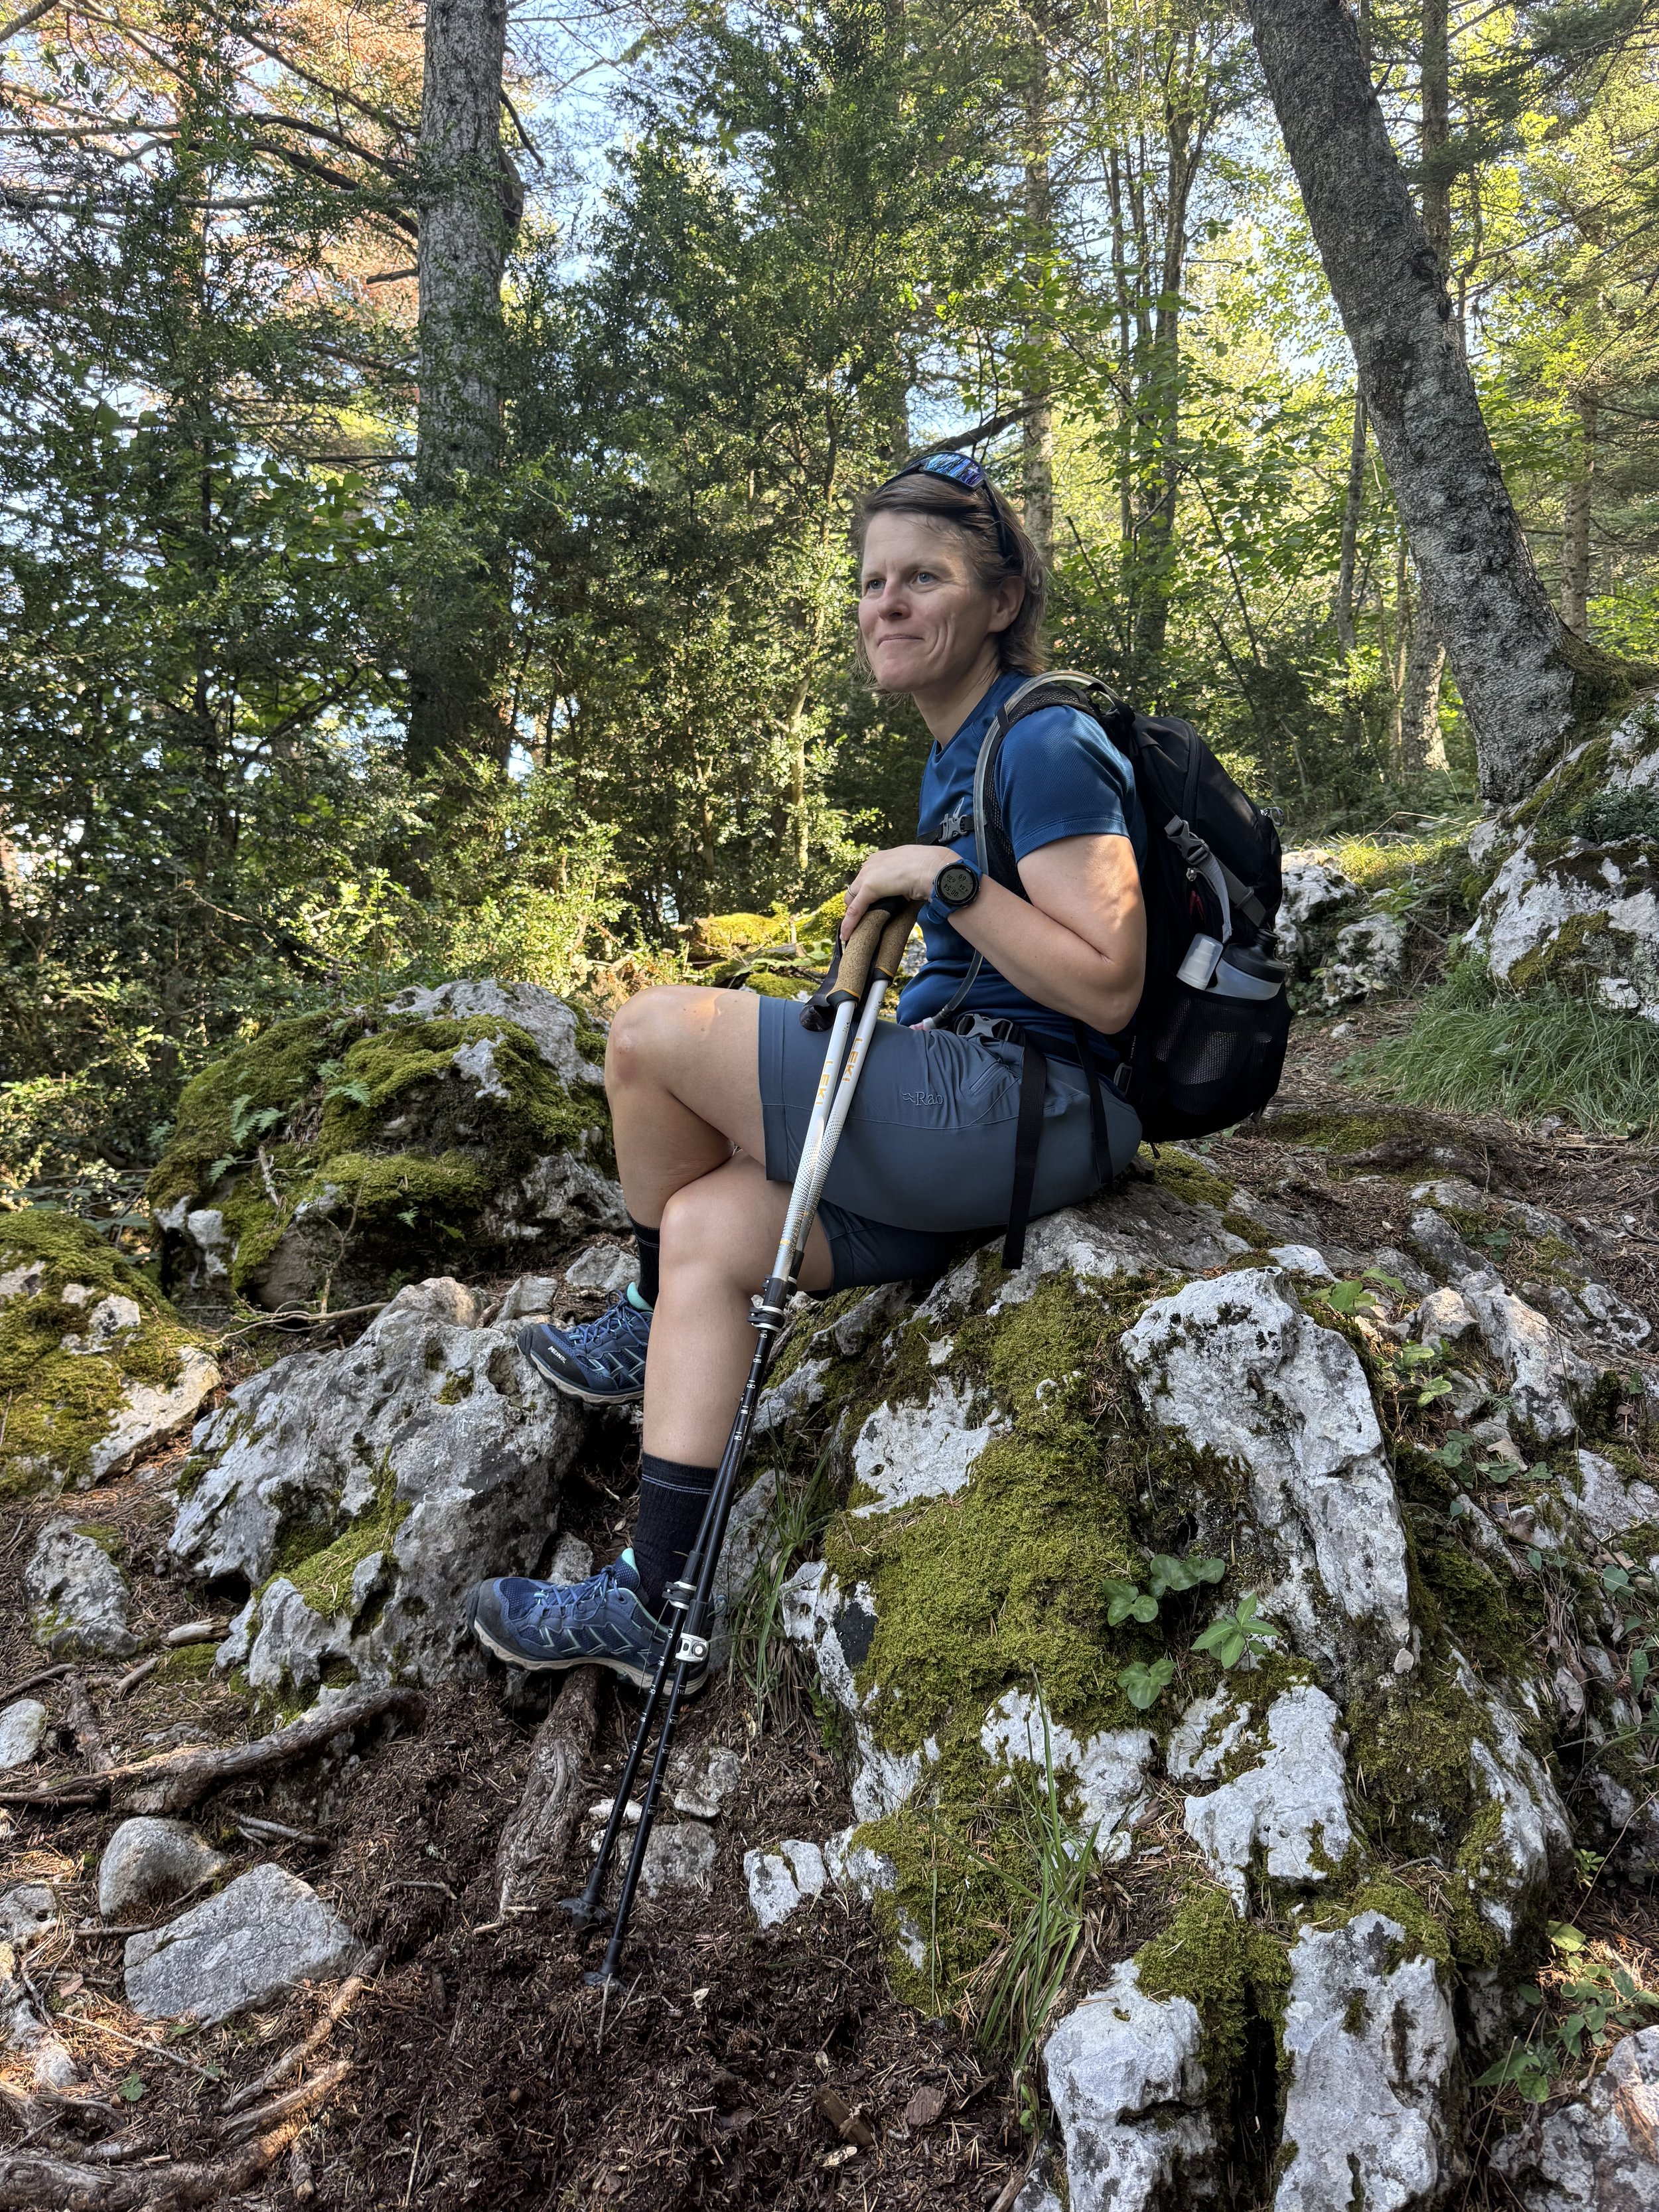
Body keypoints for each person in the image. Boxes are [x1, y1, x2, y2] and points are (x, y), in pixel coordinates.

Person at [465, 451, 1147, 1688]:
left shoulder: (1046, 742)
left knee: (648, 1036)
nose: (885, 602)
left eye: (922, 577)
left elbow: (1109, 977)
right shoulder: (962, 752)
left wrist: (936, 879)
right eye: (873, 580)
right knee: (714, 1222)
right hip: (976, 1123)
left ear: (1000, 603)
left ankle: (633, 1317)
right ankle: (658, 1603)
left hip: (1030, 1111)